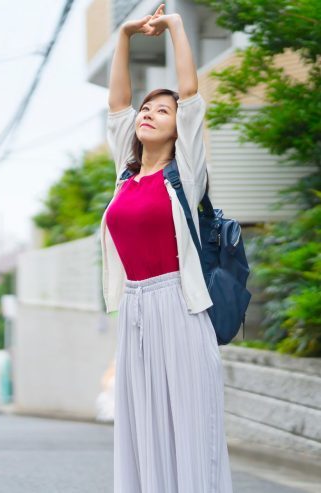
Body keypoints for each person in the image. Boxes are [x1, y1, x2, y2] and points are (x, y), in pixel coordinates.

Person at [101, 4, 234, 492]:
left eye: (163, 110)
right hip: (134, 311)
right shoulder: (125, 174)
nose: (148, 114)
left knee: (191, 431)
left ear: (179, 128)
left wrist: (175, 25)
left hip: (180, 306)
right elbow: (117, 104)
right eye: (147, 108)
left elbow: (192, 95)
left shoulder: (186, 173)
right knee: (143, 434)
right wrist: (124, 36)